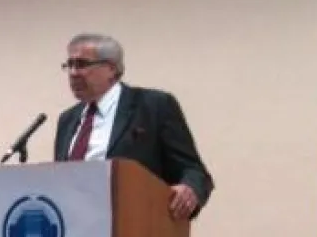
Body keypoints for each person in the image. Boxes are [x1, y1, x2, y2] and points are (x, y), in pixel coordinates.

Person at [53, 33, 214, 220]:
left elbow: (194, 171)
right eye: (69, 65)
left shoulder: (154, 106)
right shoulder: (68, 119)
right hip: (74, 226)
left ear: (111, 68)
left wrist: (190, 189)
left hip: (135, 224)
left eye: (82, 64)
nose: (73, 73)